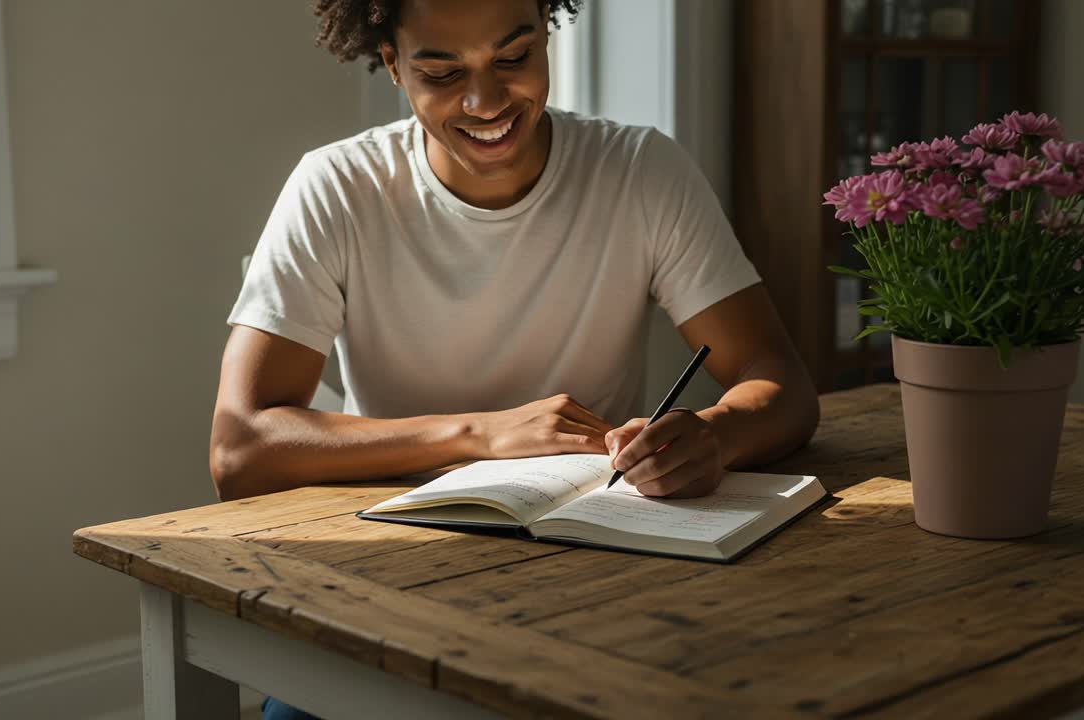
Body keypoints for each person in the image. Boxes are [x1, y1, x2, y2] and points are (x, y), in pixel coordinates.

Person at [214, 0, 819, 716]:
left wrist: (714, 436)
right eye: (442, 71)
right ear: (392, 66)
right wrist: (482, 435)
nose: (487, 101)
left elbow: (780, 384)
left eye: (514, 57)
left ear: (546, 35)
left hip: (591, 569)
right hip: (390, 572)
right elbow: (241, 447)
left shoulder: (639, 170)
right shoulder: (338, 188)